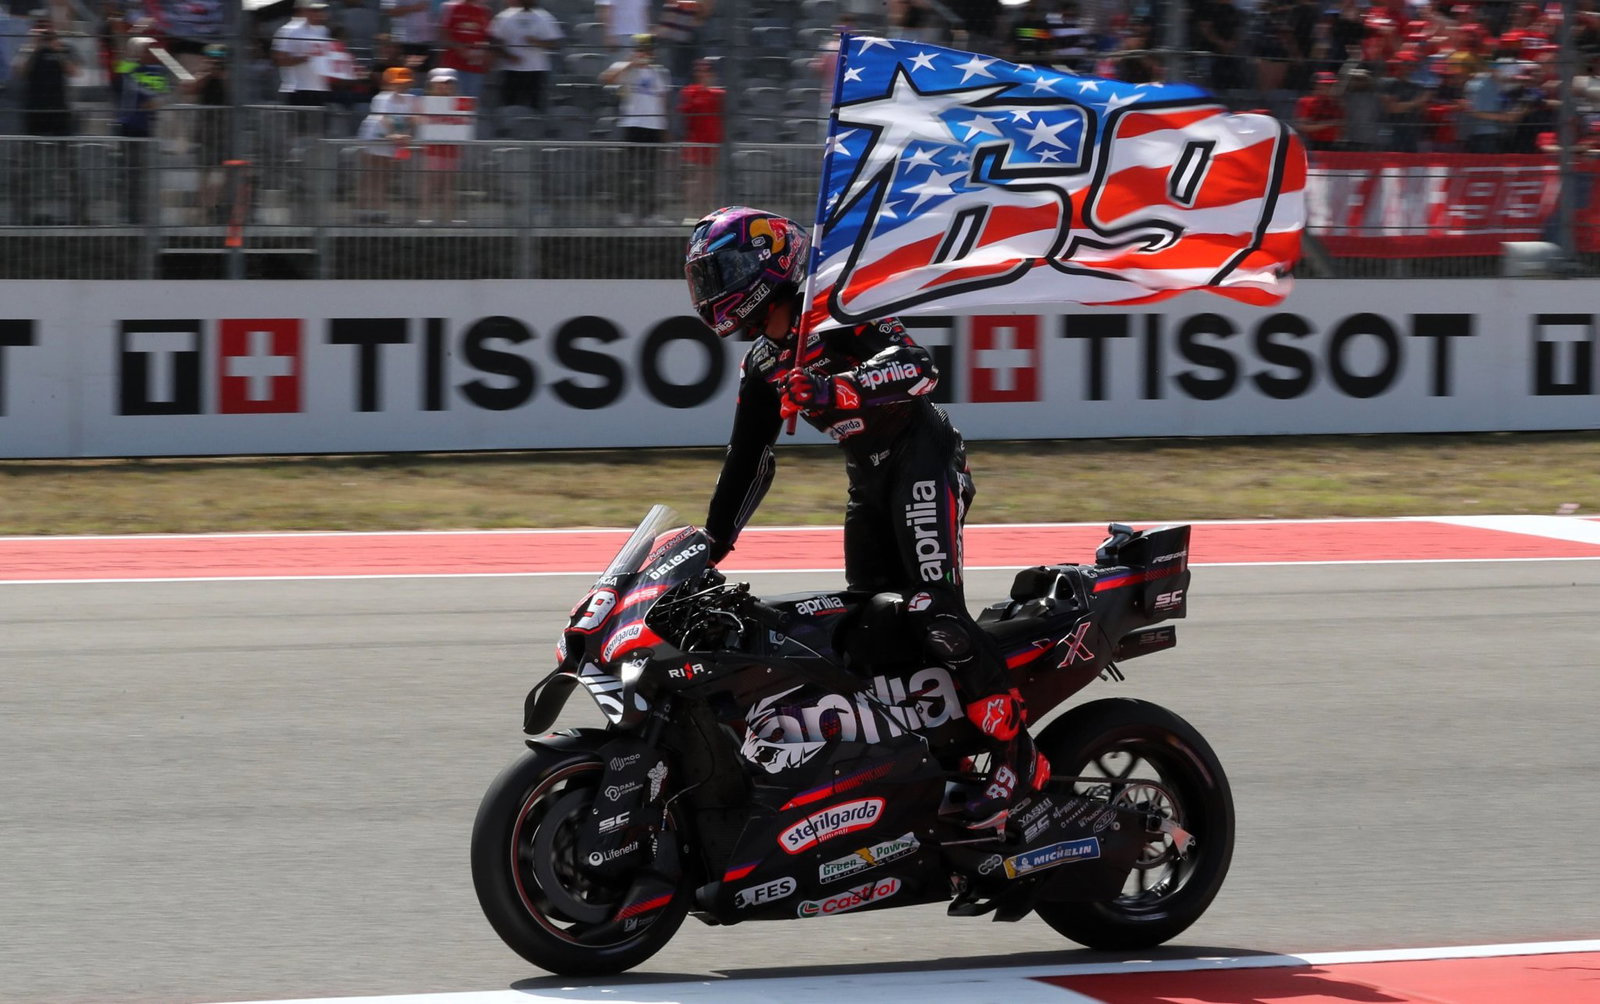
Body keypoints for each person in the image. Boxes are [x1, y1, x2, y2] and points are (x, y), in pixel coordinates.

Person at [683, 206, 1051, 831]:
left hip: (922, 459)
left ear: (766, 265)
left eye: (721, 271)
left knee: (933, 611)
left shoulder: (840, 309)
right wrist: (711, 544)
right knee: (871, 629)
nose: (712, 289)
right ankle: (944, 755)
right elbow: (748, 460)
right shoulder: (764, 364)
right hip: (868, 481)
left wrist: (834, 390)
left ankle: (1021, 758)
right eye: (704, 277)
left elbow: (920, 369)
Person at [599, 33, 670, 226]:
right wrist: (631, 63)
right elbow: (606, 78)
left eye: (648, 50)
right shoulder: (625, 68)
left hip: (653, 127)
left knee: (651, 173)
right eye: (642, 49)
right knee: (628, 171)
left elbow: (662, 101)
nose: (645, 53)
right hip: (632, 125)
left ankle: (650, 214)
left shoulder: (658, 72)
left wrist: (664, 128)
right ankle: (625, 212)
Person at [355, 64, 416, 222]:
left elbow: (411, 119)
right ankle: (362, 210)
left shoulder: (411, 99)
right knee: (370, 174)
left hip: (391, 139)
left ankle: (379, 210)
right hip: (375, 136)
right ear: (389, 82)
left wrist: (405, 135)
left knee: (384, 176)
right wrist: (393, 135)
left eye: (405, 81)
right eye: (398, 82)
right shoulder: (382, 98)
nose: (402, 85)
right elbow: (384, 117)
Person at [489, 0, 562, 111]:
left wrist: (538, 42)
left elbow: (556, 44)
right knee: (510, 107)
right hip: (510, 71)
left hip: (536, 70)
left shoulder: (545, 17)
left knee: (535, 108)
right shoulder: (504, 17)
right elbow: (494, 42)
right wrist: (508, 56)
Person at [676, 56, 722, 222]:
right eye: (701, 70)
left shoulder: (719, 94)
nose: (704, 73)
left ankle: (705, 214)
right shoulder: (691, 91)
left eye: (707, 70)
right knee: (695, 180)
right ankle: (692, 213)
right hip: (696, 143)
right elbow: (686, 114)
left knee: (709, 181)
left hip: (712, 144)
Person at [272, 0, 333, 108]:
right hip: (297, 89)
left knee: (318, 124)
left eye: (322, 10)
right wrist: (306, 58)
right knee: (298, 124)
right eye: (315, 10)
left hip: (320, 89)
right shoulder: (288, 31)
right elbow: (279, 60)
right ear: (304, 10)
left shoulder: (323, 30)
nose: (320, 13)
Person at [436, 0, 492, 99]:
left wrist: (486, 57)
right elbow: (443, 31)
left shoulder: (484, 10)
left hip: (475, 67)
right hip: (452, 66)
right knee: (450, 101)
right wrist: (460, 49)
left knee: (471, 104)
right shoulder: (450, 7)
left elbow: (487, 36)